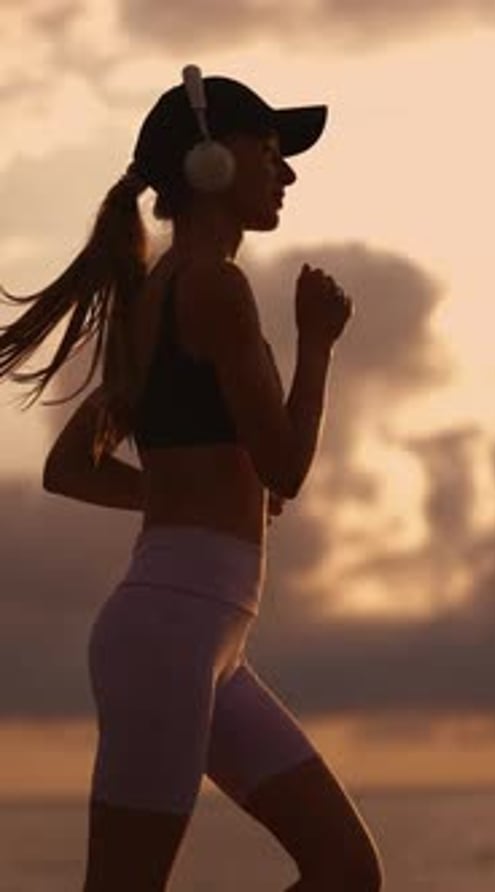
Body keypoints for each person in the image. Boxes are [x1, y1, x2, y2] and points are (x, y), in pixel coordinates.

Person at [0, 67, 383, 891]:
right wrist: (317, 343)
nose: (287, 173)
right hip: (172, 633)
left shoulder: (157, 295)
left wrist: (184, 496)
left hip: (203, 638)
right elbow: (287, 466)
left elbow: (70, 467)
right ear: (211, 160)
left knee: (346, 869)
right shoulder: (214, 286)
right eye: (271, 150)